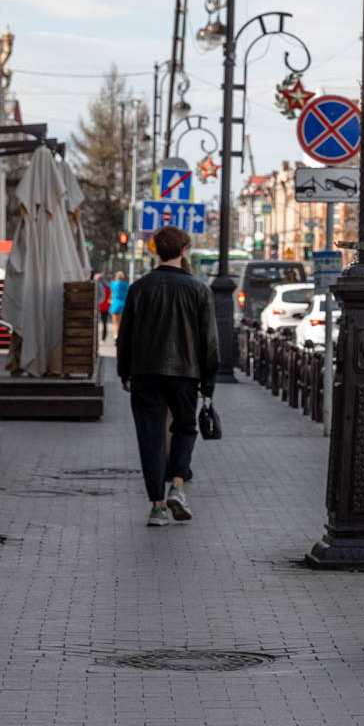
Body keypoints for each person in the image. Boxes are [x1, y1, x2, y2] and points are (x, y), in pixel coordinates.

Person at [116, 226, 218, 528]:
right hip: (185, 374)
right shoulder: (199, 289)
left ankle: (157, 506)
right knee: (185, 428)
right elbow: (209, 342)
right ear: (184, 251)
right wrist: (208, 383)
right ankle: (176, 485)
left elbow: (125, 337)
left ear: (156, 252)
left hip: (145, 372)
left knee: (150, 437)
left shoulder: (139, 288)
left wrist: (124, 372)